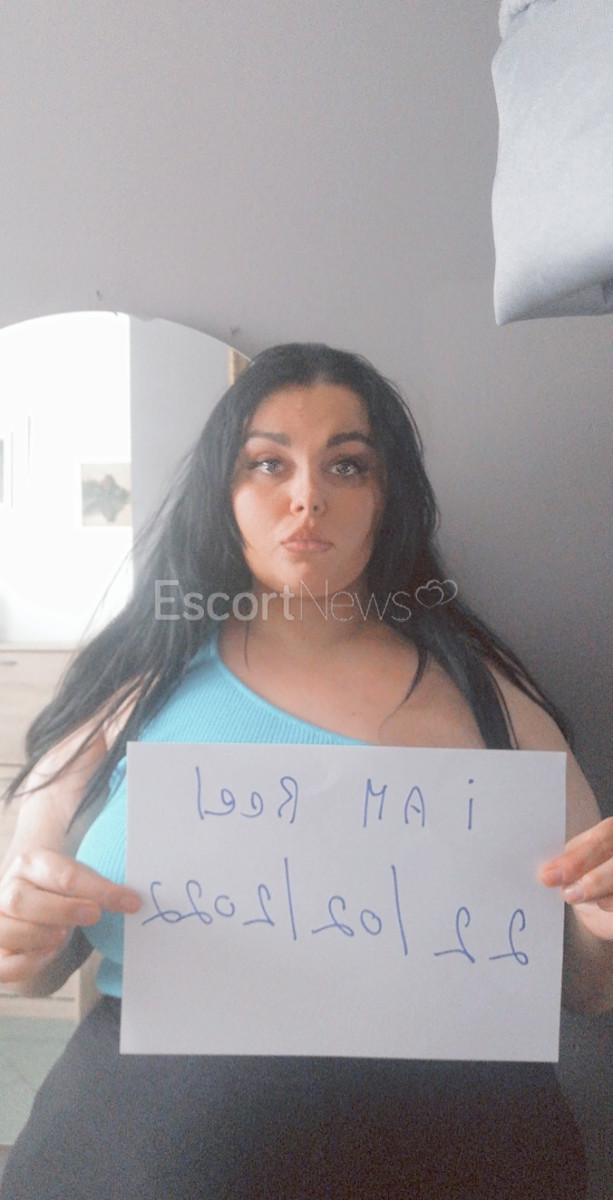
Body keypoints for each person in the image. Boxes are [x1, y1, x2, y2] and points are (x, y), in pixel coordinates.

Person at [0, 342, 610, 1198]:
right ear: (222, 491)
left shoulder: (489, 701)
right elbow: (33, 963)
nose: (306, 497)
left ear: (388, 496)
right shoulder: (123, 695)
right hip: (141, 1154)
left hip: (451, 1154)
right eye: (267, 463)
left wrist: (601, 919)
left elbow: (586, 987)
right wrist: (22, 930)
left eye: (346, 465)